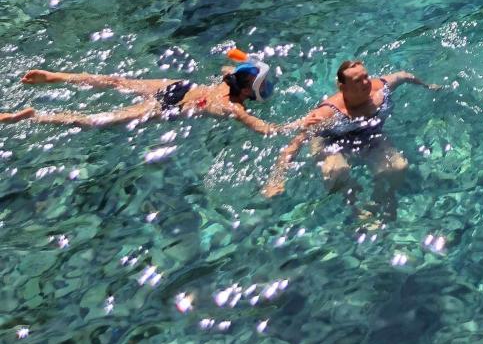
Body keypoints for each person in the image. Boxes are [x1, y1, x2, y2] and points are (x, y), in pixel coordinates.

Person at [263, 60, 437, 215]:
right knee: (338, 172)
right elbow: (296, 142)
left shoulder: (381, 89)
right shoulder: (328, 113)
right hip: (330, 142)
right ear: (342, 88)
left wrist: (427, 86)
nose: (365, 83)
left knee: (398, 167)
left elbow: (403, 75)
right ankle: (354, 207)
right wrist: (276, 179)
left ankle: (379, 200)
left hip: (368, 136)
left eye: (366, 76)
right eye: (357, 81)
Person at [0, 54, 276, 133]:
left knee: (116, 81)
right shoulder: (235, 109)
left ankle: (58, 76)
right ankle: (32, 117)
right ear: (244, 90)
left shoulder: (225, 80)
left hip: (181, 86)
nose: (264, 88)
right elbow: (263, 129)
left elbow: (230, 64)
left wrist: (245, 61)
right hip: (169, 108)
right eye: (260, 85)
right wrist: (296, 126)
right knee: (95, 120)